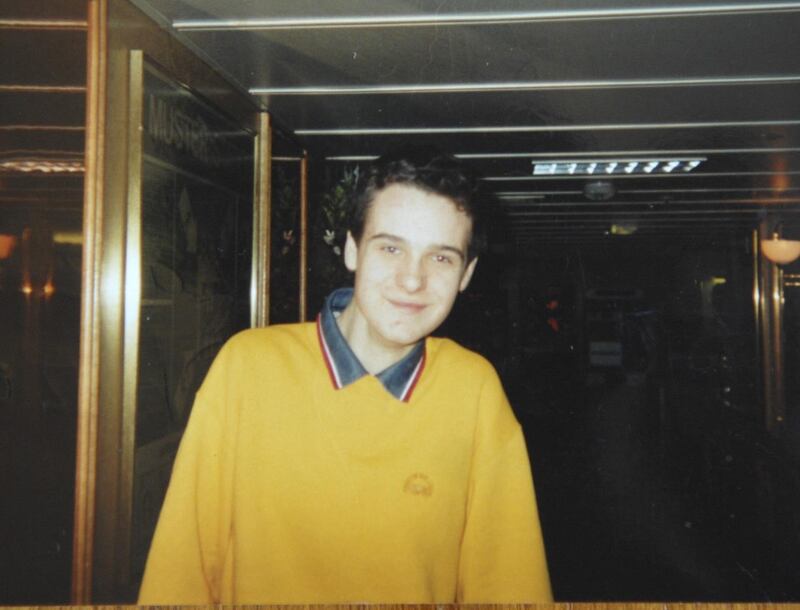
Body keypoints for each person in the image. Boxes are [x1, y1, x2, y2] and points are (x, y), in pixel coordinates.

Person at [137, 146, 552, 604]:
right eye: (391, 248)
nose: (412, 280)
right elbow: (183, 564)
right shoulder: (249, 366)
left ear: (467, 274)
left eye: (441, 258)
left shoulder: (473, 389)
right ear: (353, 250)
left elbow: (508, 583)